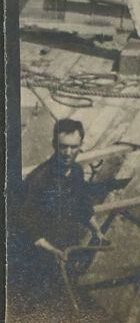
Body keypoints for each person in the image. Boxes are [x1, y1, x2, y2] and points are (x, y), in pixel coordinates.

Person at [12, 119, 97, 317]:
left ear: (81, 146)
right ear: (53, 145)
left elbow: (82, 204)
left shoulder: (76, 172)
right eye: (63, 147)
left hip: (63, 249)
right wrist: (51, 249)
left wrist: (96, 228)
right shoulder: (39, 178)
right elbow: (24, 221)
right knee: (39, 306)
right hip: (37, 254)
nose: (68, 153)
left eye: (73, 147)